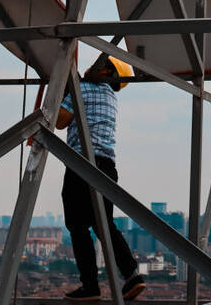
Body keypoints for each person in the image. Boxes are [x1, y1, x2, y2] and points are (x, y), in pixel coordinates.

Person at [57, 54, 146, 302]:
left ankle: (90, 286)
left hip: (81, 163)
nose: (90, 67)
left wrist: (58, 94)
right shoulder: (111, 96)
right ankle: (132, 275)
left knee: (77, 225)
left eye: (98, 65)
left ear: (106, 72)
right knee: (103, 223)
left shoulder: (83, 89)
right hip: (107, 166)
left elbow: (60, 122)